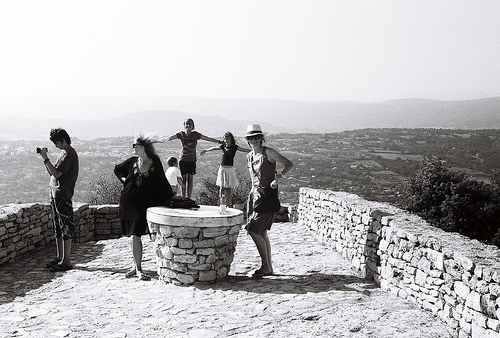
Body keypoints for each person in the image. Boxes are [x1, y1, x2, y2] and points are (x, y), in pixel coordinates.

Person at [114, 136, 173, 281]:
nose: (133, 147)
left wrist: (170, 199)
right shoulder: (132, 162)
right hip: (130, 202)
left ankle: (137, 267)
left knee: (136, 234)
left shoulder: (155, 163)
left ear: (142, 147)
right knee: (134, 235)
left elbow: (162, 183)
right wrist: (125, 181)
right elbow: (117, 170)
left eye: (135, 145)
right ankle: (137, 268)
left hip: (146, 204)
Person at [244, 123, 294, 277]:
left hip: (266, 196)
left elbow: (289, 164)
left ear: (261, 138)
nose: (253, 140)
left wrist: (279, 177)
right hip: (255, 197)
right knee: (262, 232)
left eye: (256, 137)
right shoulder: (249, 156)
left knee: (253, 230)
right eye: (250, 138)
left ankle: (266, 267)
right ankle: (268, 267)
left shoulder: (269, 153)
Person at [39, 128, 79, 272]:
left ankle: (66, 261)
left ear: (63, 140)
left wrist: (45, 158)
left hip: (63, 194)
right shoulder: (63, 153)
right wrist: (46, 161)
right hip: (56, 194)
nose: (56, 146)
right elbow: (52, 172)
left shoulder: (69, 154)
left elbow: (55, 173)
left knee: (65, 226)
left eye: (57, 143)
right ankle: (60, 257)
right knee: (58, 227)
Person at [162, 118, 220, 198]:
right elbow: (171, 137)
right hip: (183, 159)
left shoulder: (196, 135)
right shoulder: (181, 134)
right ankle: (183, 197)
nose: (188, 125)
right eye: (187, 124)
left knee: (190, 180)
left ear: (193, 126)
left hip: (192, 160)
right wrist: (161, 140)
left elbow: (207, 138)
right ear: (184, 125)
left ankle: (188, 198)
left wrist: (218, 142)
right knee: (183, 179)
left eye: (190, 124)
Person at [200, 131, 249, 214]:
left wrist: (253, 151)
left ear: (231, 139)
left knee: (229, 187)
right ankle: (221, 203)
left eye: (227, 138)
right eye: (225, 139)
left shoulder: (234, 147)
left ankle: (228, 204)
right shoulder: (223, 146)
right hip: (222, 168)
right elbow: (213, 148)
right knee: (222, 187)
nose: (226, 140)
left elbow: (244, 150)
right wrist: (206, 150)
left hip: (230, 169)